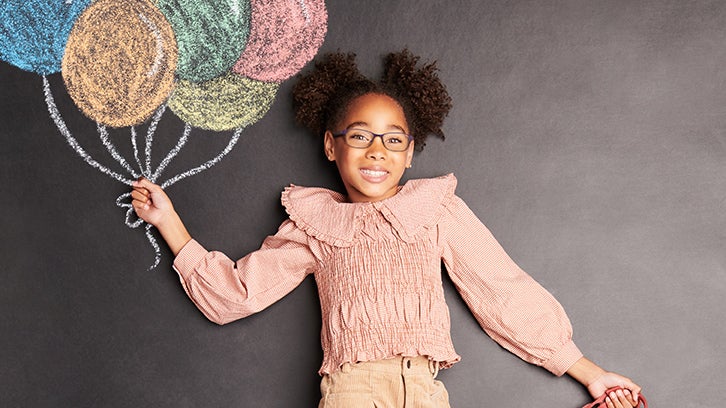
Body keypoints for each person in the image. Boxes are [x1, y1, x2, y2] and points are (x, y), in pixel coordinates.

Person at [131, 50, 642, 408]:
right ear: (332, 147)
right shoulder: (315, 224)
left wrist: (591, 374)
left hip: (425, 391)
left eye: (393, 140)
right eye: (360, 136)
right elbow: (235, 296)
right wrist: (169, 222)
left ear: (411, 151)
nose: (377, 151)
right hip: (351, 393)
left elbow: (501, 291)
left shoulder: (435, 209)